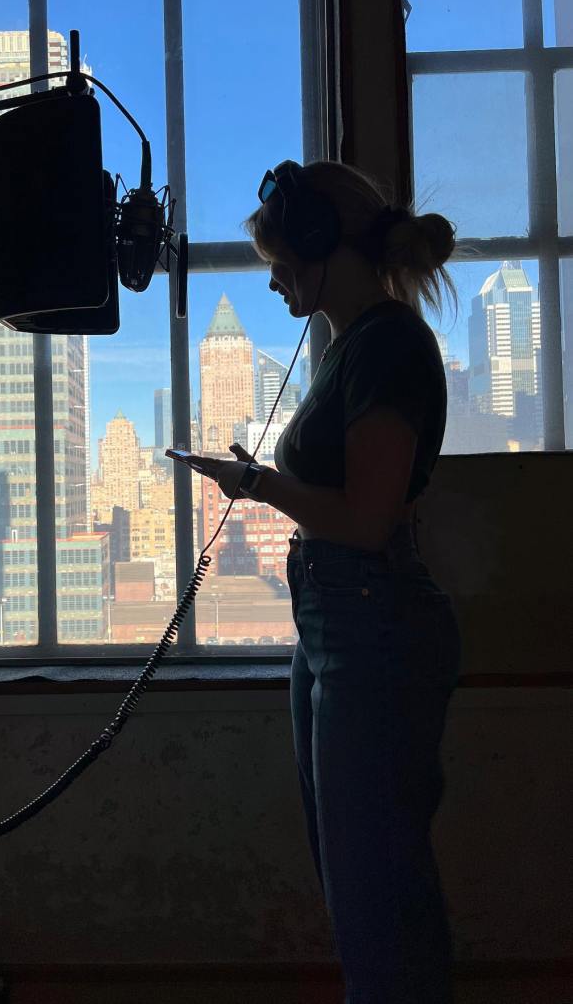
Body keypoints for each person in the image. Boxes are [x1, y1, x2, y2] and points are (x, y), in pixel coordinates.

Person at [194, 159, 462, 1003]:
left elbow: (366, 517)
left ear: (318, 243)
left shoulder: (385, 344)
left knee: (374, 888)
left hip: (370, 626)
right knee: (357, 879)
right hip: (335, 622)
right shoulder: (350, 347)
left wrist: (258, 485)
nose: (271, 278)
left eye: (278, 256)